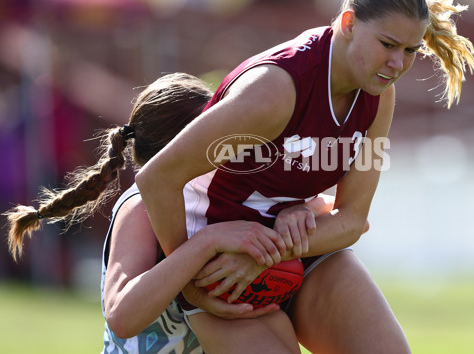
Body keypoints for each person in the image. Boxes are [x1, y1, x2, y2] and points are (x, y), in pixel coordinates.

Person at [136, 0, 474, 354]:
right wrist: (190, 284)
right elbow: (156, 178)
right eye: (387, 45)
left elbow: (352, 220)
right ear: (348, 23)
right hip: (221, 266)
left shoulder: (379, 95)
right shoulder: (276, 91)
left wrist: (272, 250)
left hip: (293, 250)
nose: (398, 64)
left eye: (410, 51)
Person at [4, 72, 327, 353]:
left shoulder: (223, 194)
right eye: (216, 131)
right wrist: (206, 243)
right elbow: (121, 315)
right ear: (181, 146)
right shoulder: (140, 208)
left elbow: (330, 207)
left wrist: (300, 209)